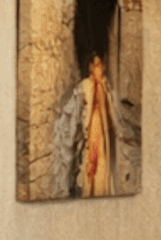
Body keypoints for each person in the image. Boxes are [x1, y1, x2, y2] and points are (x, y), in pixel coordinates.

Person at [52, 52, 121, 197]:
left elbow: (111, 121)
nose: (99, 69)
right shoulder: (84, 87)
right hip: (89, 146)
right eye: (96, 65)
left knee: (101, 184)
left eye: (101, 65)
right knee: (88, 184)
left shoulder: (105, 88)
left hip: (103, 148)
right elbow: (83, 122)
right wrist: (91, 157)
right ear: (90, 67)